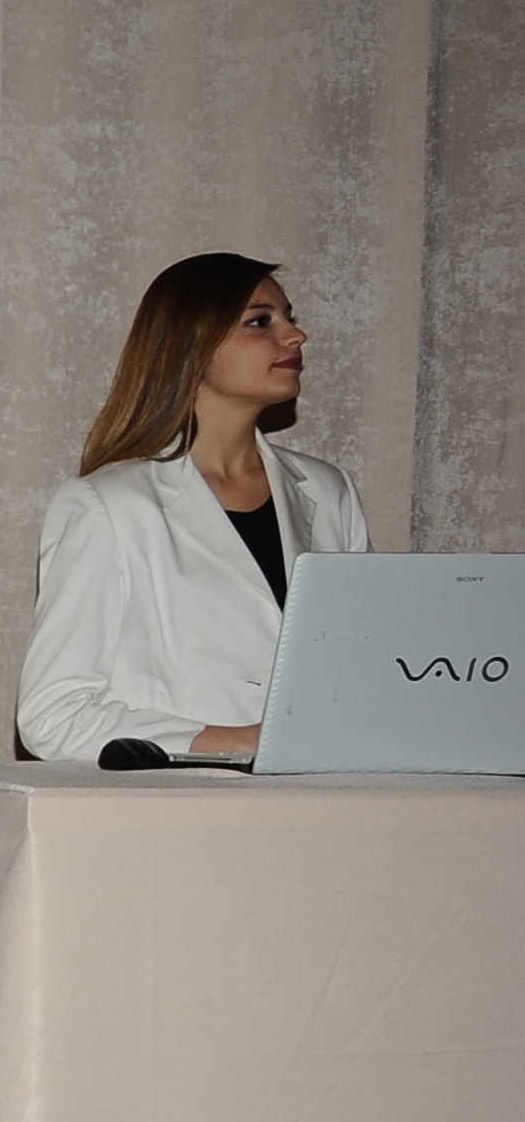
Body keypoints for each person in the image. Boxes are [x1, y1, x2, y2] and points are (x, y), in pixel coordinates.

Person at [20, 253, 369, 764]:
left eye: (289, 318)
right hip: (180, 804)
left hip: (326, 798)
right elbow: (53, 717)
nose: (296, 336)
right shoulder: (108, 506)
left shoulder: (329, 491)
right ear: (191, 345)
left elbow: (363, 669)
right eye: (260, 322)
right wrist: (239, 741)